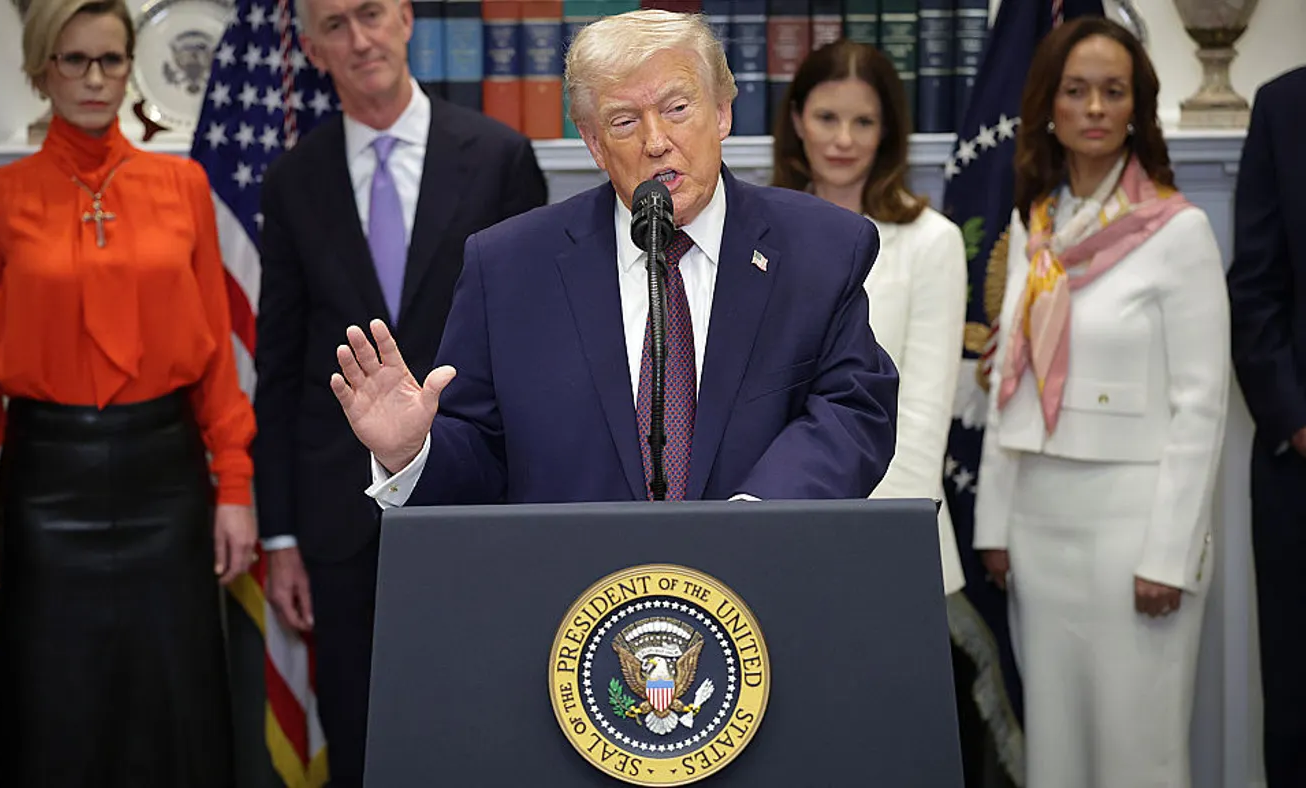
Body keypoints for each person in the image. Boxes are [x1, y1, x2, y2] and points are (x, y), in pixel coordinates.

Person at [329, 10, 898, 512]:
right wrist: (410, 451)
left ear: (722, 113)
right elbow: (480, 457)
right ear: (595, 143)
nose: (656, 141)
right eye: (625, 121)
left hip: (761, 598)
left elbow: (853, 410)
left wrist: (752, 519)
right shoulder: (507, 268)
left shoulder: (819, 248)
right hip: (570, 611)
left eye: (678, 108)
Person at [0, 0, 256, 785]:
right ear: (42, 69)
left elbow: (216, 351)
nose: (94, 79)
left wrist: (234, 483)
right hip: (47, 485)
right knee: (56, 714)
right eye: (73, 60)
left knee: (178, 710)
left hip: (167, 477)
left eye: (110, 60)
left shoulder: (181, 185)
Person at [254, 0, 546, 783]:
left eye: (372, 14)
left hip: (475, 501)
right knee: (361, 736)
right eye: (336, 26)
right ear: (313, 50)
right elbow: (278, 368)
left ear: (408, 19)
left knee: (489, 729)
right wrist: (278, 536)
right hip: (338, 518)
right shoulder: (292, 181)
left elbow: (540, 349)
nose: (360, 39)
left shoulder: (499, 156)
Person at [974, 17, 1229, 787]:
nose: (1093, 108)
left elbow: (1202, 407)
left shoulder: (1179, 231)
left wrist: (1168, 554)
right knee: (1054, 749)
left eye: (1112, 92)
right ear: (1049, 105)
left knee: (1138, 750)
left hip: (1133, 530)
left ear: (1136, 107)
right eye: (1076, 91)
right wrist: (994, 524)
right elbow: (1008, 378)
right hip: (1039, 530)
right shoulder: (1036, 227)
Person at [774, 39, 966, 597]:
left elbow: (923, 418)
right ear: (796, 121)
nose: (843, 140)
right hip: (772, 527)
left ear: (888, 132)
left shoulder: (933, 241)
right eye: (827, 117)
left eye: (863, 121)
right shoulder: (756, 235)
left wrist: (873, 537)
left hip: (890, 530)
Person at [1227, 65, 1306, 788]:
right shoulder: (1284, 107)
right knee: (1297, 709)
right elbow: (1254, 286)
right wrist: (1297, 420)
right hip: (1301, 468)